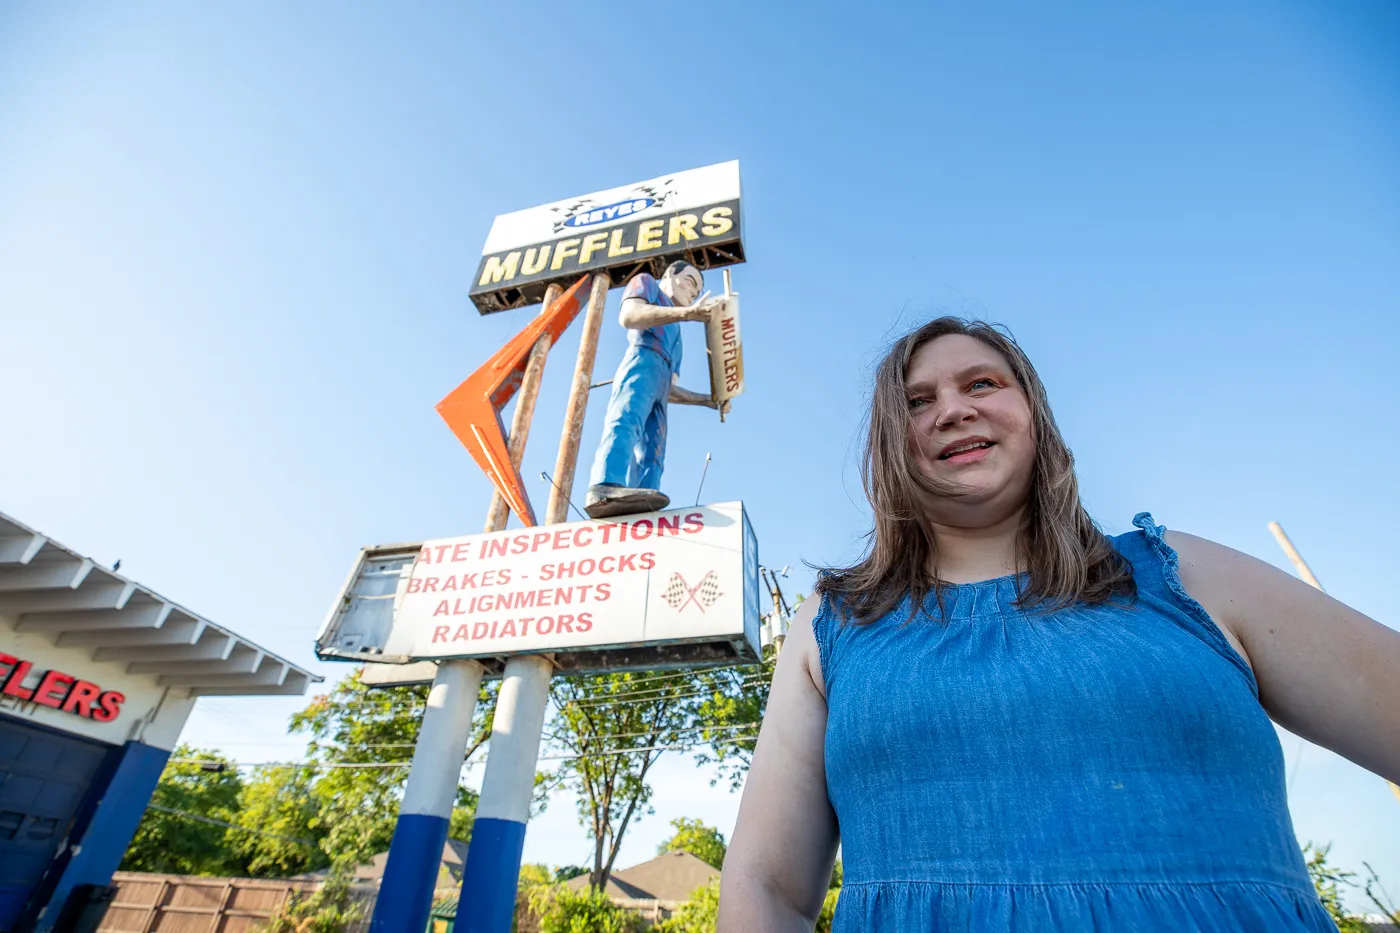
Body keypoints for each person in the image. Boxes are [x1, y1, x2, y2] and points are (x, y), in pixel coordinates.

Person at [719, 317, 1400, 932]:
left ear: (1033, 412)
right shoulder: (832, 624)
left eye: (981, 382)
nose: (952, 409)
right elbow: (764, 889)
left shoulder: (1187, 573)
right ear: (890, 445)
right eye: (917, 401)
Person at [584, 260, 727, 519]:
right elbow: (629, 316)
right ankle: (605, 484)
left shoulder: (677, 337)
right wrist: (687, 313)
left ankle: (646, 495)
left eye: (696, 292)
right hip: (642, 359)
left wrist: (708, 400)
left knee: (654, 446)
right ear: (670, 274)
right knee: (626, 421)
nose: (692, 293)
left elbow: (671, 390)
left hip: (661, 379)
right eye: (690, 282)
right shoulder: (647, 284)